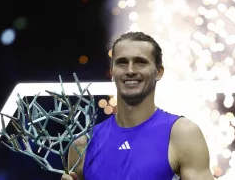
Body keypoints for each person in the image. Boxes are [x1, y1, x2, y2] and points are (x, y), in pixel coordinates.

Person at [62, 32, 213, 180]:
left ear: (159, 72)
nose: (130, 71)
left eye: (140, 62)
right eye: (122, 63)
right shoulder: (83, 144)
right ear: (112, 71)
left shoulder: (182, 134)